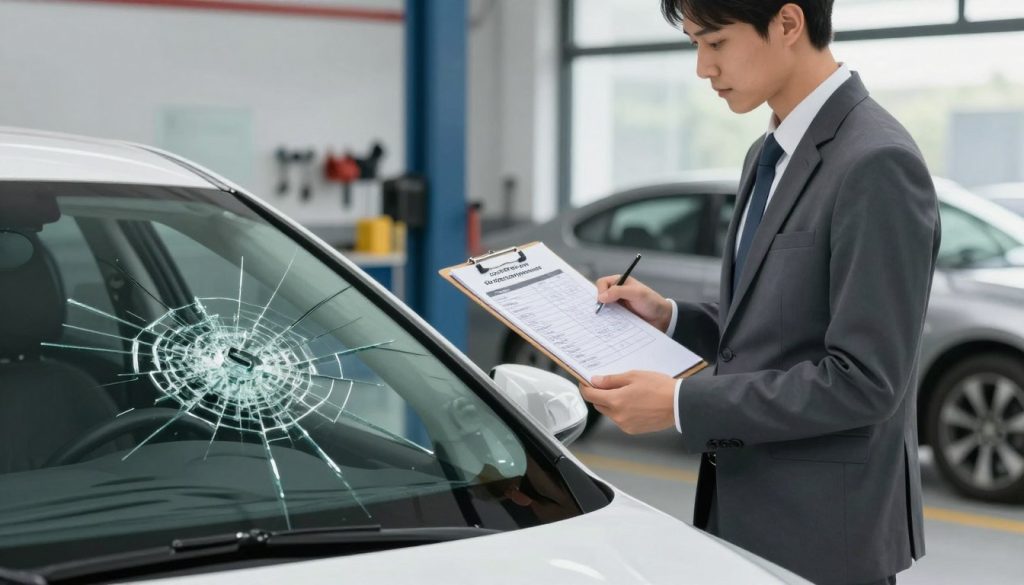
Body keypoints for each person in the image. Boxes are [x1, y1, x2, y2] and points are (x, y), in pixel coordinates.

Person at [578, 1, 940, 584]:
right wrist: (669, 317)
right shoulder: (767, 154)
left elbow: (866, 381)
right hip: (745, 516)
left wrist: (676, 405)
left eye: (715, 43)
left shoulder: (877, 162)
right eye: (695, 44)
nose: (702, 68)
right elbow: (774, 325)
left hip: (825, 540)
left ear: (789, 24)